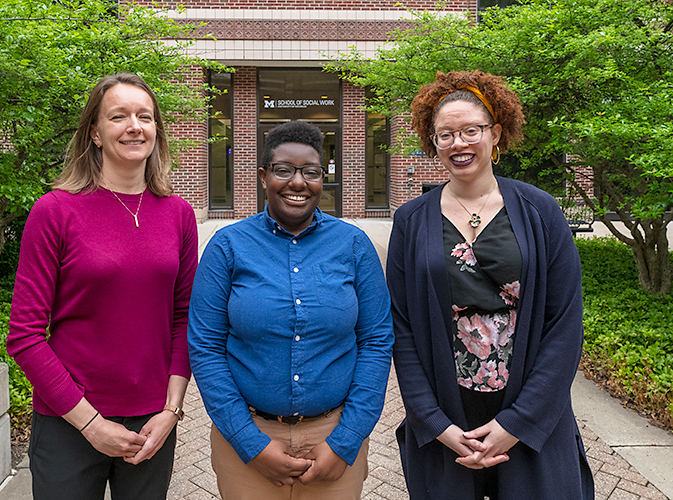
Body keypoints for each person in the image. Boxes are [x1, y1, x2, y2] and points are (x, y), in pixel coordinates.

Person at [387, 70, 594, 499]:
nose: (458, 143)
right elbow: (401, 326)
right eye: (445, 135)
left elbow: (564, 322)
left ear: (495, 133)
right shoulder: (410, 220)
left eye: (470, 131)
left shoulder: (540, 210)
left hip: (529, 409)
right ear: (433, 142)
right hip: (448, 413)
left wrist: (518, 423)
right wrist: (432, 421)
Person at [6, 73, 197, 499]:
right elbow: (25, 336)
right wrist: (91, 424)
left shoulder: (178, 214)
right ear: (94, 133)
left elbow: (185, 316)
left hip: (151, 424)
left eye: (145, 116)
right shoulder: (55, 211)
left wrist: (172, 409)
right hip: (68, 421)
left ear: (156, 130)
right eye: (119, 116)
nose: (135, 126)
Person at [188, 121, 394, 500]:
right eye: (284, 170)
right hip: (248, 440)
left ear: (322, 178)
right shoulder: (227, 247)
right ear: (264, 176)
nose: (297, 183)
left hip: (332, 439)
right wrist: (249, 442)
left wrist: (346, 440)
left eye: (310, 172)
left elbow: (377, 341)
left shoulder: (353, 245)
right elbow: (205, 348)